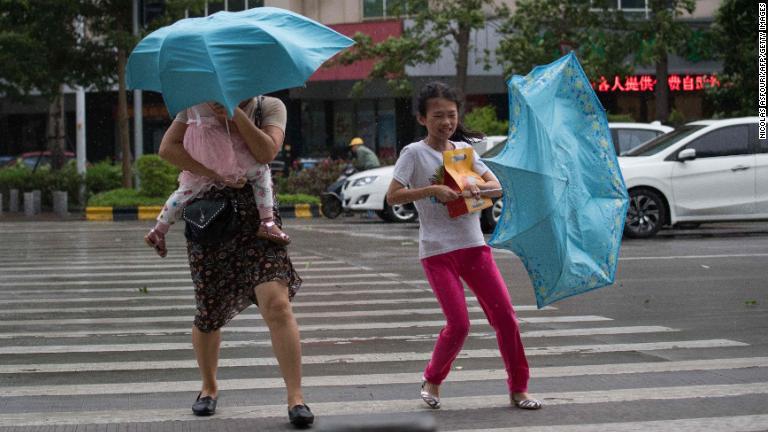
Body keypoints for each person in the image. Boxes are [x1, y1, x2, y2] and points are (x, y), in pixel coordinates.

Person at [156, 95, 314, 427]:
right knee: (209, 309)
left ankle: (296, 397)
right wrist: (213, 172)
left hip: (259, 219)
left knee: (277, 304)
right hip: (209, 216)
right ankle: (209, 387)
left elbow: (266, 152)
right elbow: (168, 149)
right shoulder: (195, 104)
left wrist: (235, 115)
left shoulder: (268, 107)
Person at [385, 82, 543, 411]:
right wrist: (432, 192)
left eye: (452, 115)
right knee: (459, 324)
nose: (446, 122)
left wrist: (473, 188)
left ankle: (519, 388)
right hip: (437, 252)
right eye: (438, 115)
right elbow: (394, 195)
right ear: (422, 118)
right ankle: (433, 379)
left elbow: (496, 188)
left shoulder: (463, 153)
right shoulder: (414, 154)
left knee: (506, 320)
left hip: (474, 247)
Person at [144, 98, 289, 258]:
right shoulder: (205, 104)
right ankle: (267, 221)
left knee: (183, 192)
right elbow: (167, 149)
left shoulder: (195, 102)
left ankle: (158, 230)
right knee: (261, 173)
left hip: (202, 159)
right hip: (222, 172)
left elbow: (267, 152)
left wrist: (209, 172)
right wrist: (219, 175)